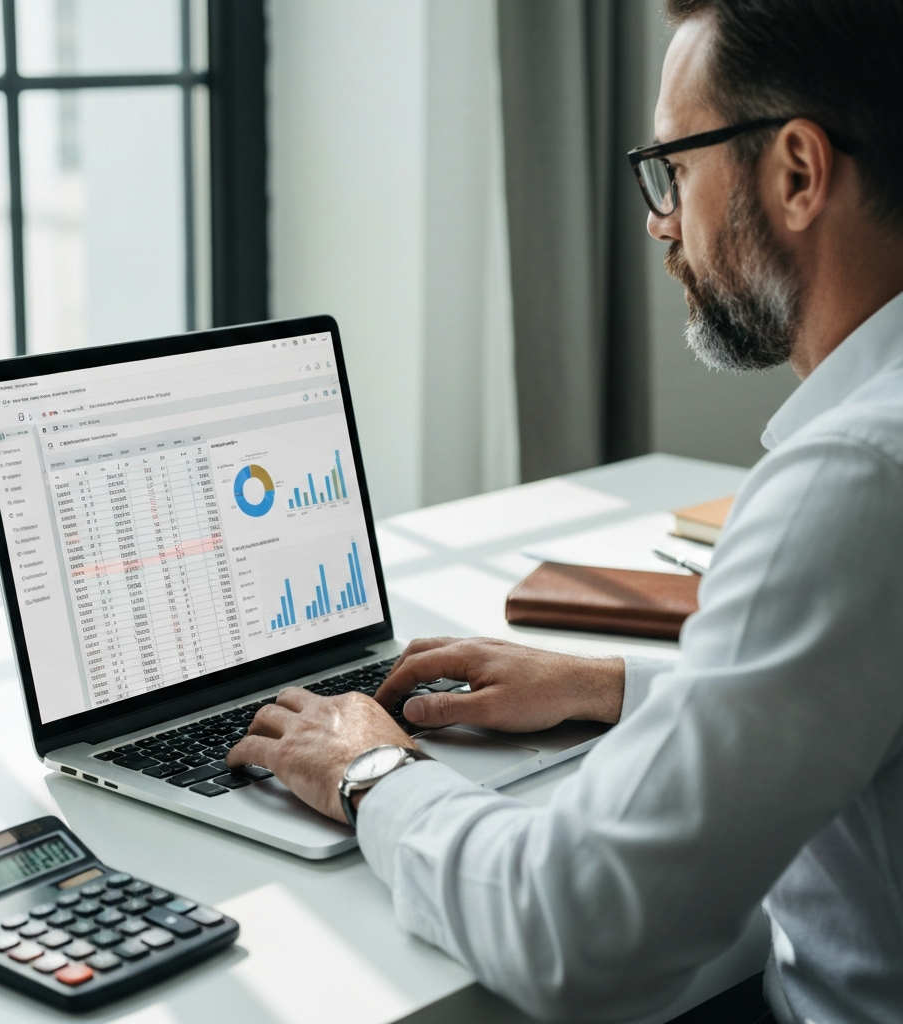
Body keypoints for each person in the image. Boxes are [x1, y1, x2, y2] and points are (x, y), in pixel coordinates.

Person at [227, 1, 903, 1020]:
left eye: (674, 169)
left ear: (798, 172)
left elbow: (578, 931)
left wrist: (369, 771)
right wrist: (608, 685)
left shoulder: (852, 481)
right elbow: (854, 682)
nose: (660, 221)